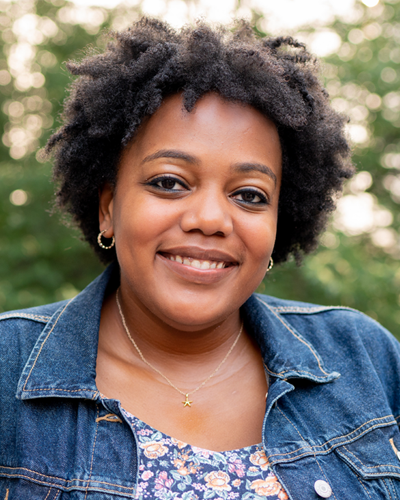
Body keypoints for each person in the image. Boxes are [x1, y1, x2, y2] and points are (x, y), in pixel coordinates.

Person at [1, 17, 400, 500]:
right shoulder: (7, 366)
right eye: (169, 182)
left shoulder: (364, 358)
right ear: (108, 208)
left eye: (250, 195)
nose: (210, 219)